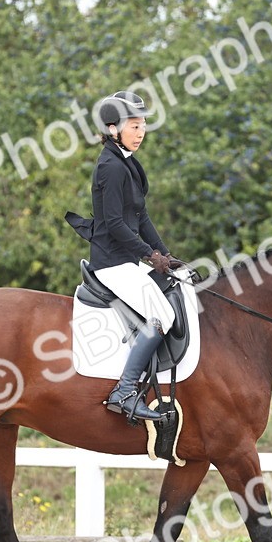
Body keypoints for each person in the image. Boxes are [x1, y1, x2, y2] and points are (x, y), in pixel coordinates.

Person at [86, 90, 176, 422]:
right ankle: (124, 391)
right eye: (133, 126)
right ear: (112, 129)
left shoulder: (128, 163)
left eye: (142, 126)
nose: (140, 133)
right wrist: (149, 255)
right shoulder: (110, 166)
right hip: (111, 262)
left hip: (126, 259)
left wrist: (167, 255)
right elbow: (113, 223)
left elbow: (141, 218)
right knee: (162, 317)